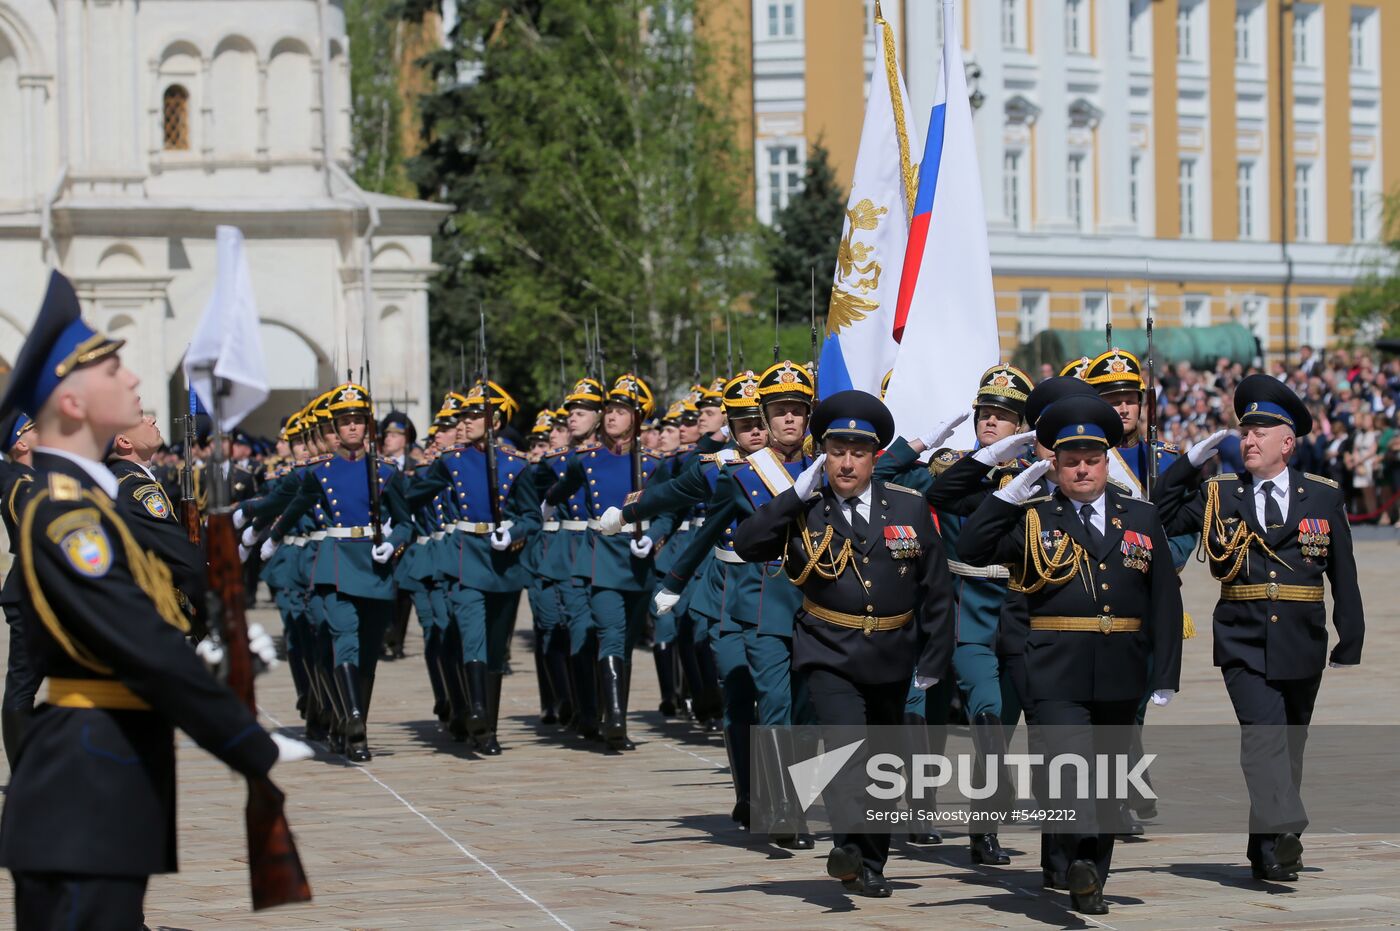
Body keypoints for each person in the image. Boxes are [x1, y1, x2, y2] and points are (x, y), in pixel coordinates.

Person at [0, 271, 311, 930]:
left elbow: (143, 621)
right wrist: (246, 741)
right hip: (86, 782)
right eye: (113, 368)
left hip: (109, 771)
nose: (136, 378)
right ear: (74, 403)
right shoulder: (66, 517)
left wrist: (213, 650)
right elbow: (137, 642)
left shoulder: (96, 503)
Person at [959, 392, 1183, 916]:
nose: (1083, 470)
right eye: (1071, 461)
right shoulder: (1034, 517)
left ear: (1107, 462)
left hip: (1121, 666)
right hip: (1055, 667)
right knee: (1067, 768)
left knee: (1107, 777)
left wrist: (1166, 672)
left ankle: (1090, 874)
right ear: (1055, 466)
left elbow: (1163, 601)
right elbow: (971, 548)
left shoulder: (1140, 516)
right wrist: (1007, 498)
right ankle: (1078, 854)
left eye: (1092, 459)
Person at [733, 389, 956, 898]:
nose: (847, 463)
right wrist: (792, 497)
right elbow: (747, 544)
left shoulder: (908, 506)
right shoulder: (806, 508)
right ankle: (848, 847)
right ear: (824, 456)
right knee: (845, 746)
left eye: (858, 453)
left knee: (883, 761)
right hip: (828, 649)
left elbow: (937, 589)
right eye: (837, 452)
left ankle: (869, 862)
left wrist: (934, 656)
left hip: (892, 651)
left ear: (875, 458)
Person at [1154, 373, 1364, 883]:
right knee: (1263, 736)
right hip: (1242, 638)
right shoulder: (1220, 493)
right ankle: (1288, 827)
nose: (1248, 440)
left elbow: (1343, 570)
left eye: (1260, 433)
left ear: (1287, 443)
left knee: (1288, 748)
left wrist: (1350, 636)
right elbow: (1158, 512)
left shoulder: (1322, 497)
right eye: (1244, 432)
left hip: (1302, 639)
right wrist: (1189, 462)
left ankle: (1267, 849)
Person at [874, 363, 1033, 860]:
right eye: (985, 413)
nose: (991, 421)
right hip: (956, 607)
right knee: (947, 713)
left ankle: (984, 830)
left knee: (1001, 721)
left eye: (1003, 416)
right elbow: (879, 479)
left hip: (1017, 610)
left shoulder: (1040, 475)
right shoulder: (951, 468)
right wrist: (917, 445)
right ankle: (923, 808)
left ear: (1021, 425)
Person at [258, 382, 413, 762]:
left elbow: (406, 522)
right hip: (336, 565)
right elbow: (296, 506)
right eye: (344, 421)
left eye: (358, 420)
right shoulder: (321, 472)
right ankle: (354, 721)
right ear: (336, 428)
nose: (352, 427)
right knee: (344, 640)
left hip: (373, 566)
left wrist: (392, 543)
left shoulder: (386, 472)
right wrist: (272, 537)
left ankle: (353, 721)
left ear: (367, 426)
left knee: (368, 652)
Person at [406, 380, 540, 754]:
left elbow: (532, 516)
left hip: (503, 562)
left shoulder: (516, 465)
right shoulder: (452, 461)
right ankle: (477, 711)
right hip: (465, 557)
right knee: (472, 634)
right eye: (464, 415)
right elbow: (415, 496)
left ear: (495, 422)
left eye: (474, 415)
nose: (465, 421)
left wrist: (512, 531)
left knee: (496, 645)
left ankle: (488, 729)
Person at [545, 373, 671, 752]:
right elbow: (562, 487)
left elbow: (669, 509)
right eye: (610, 409)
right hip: (601, 554)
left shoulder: (653, 464)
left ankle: (613, 715)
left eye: (622, 410)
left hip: (637, 557)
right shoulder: (588, 460)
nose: (612, 416)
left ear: (638, 417)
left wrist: (652, 535)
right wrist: (547, 504)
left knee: (627, 640)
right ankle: (614, 719)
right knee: (611, 633)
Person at [0, 412, 38, 768]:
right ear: (20, 443)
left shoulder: (34, 478)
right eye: (32, 428)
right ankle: (23, 769)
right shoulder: (21, 484)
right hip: (29, 593)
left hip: (40, 590)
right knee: (23, 685)